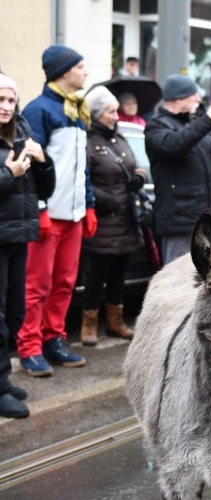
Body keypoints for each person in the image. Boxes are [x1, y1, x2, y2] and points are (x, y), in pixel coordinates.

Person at [17, 45, 95, 377]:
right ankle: (30, 346)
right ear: (63, 72)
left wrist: (89, 204)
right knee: (37, 285)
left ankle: (53, 338)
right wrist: (40, 208)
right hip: (49, 215)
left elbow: (82, 167)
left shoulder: (78, 111)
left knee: (65, 281)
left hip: (74, 215)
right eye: (80, 67)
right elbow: (32, 166)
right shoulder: (39, 110)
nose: (85, 72)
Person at [0, 74, 55, 417]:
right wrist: (10, 175)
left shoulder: (22, 133)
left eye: (9, 100)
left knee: (15, 311)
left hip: (19, 235)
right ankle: (1, 385)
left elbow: (45, 190)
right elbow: (12, 180)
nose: (5, 107)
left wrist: (43, 160)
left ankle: (2, 379)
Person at [144, 74, 211, 265]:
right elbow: (175, 145)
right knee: (179, 283)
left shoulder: (195, 125)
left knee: (209, 282)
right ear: (179, 98)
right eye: (193, 95)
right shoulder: (156, 126)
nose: (198, 99)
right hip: (180, 222)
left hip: (208, 218)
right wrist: (207, 120)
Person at [80, 86, 147, 346]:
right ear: (97, 114)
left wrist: (140, 177)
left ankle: (115, 321)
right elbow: (83, 182)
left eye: (116, 110)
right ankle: (89, 323)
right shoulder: (88, 142)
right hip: (103, 222)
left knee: (120, 274)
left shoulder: (120, 138)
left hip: (126, 221)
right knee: (96, 275)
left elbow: (135, 164)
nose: (115, 116)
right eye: (110, 111)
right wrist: (110, 199)